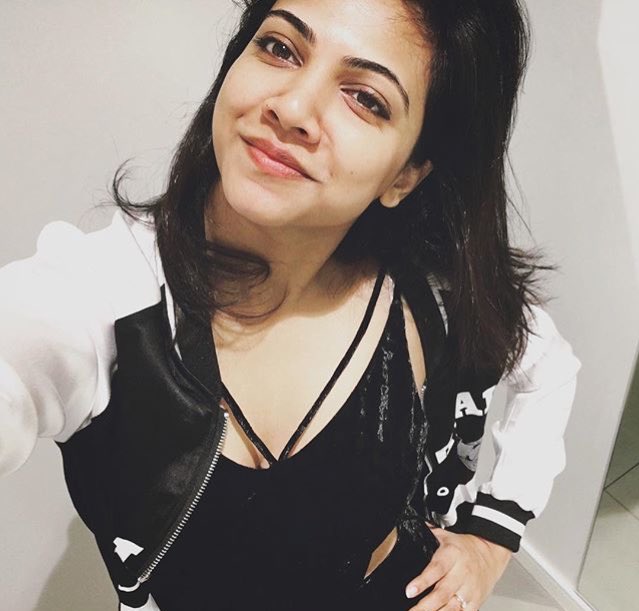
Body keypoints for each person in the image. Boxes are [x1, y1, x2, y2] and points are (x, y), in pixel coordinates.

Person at [0, 0, 581, 610]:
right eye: (280, 48)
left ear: (405, 175)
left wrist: (491, 537)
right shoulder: (111, 300)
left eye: (366, 98)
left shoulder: (426, 295)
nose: (294, 108)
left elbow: (549, 369)